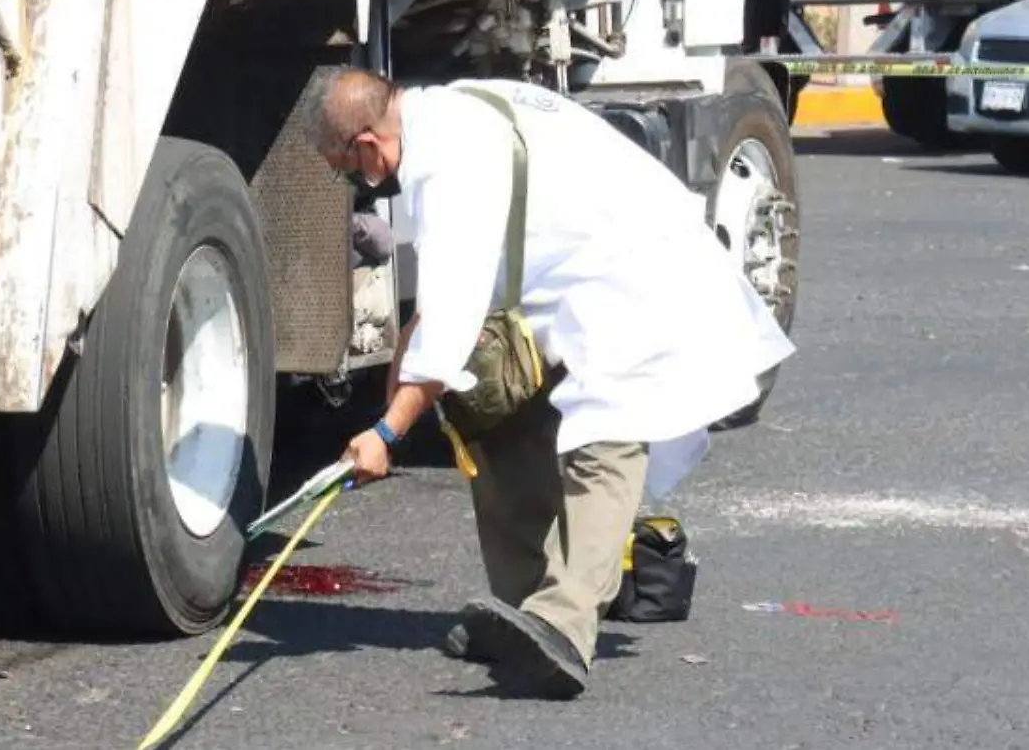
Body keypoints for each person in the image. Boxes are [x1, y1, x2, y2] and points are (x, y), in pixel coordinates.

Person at [305, 66, 795, 700]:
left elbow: (452, 324)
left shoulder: (445, 162)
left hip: (639, 270)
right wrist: (407, 365)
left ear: (367, 145)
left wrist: (385, 432)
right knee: (489, 406)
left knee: (605, 437)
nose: (359, 182)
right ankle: (525, 609)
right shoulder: (440, 118)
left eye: (347, 168)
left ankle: (562, 631)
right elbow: (449, 297)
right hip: (579, 279)